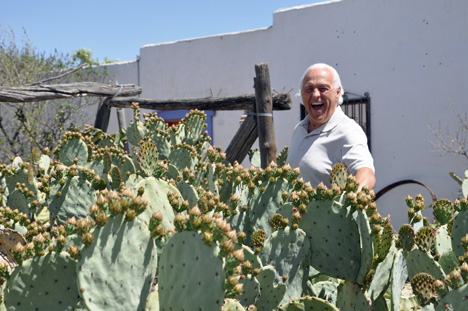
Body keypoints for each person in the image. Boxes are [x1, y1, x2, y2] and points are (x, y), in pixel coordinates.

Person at [286, 63, 376, 190]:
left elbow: (366, 174)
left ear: (337, 92)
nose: (316, 94)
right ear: (302, 94)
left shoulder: (348, 130)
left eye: (323, 88)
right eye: (309, 89)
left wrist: (351, 200)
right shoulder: (299, 129)